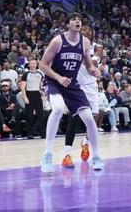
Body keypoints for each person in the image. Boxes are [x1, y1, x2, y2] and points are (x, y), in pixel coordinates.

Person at [38, 13, 104, 172]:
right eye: (74, 19)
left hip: (72, 84)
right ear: (68, 24)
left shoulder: (85, 42)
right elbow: (43, 65)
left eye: (79, 20)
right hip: (55, 82)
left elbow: (88, 64)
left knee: (90, 119)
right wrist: (59, 78)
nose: (77, 21)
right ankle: (47, 154)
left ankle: (96, 157)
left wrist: (93, 70)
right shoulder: (57, 41)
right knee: (58, 109)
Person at [62, 26, 101, 168]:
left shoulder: (96, 48)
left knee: (93, 120)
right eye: (84, 30)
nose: (87, 32)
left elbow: (93, 66)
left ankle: (86, 143)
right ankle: (67, 154)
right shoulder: (73, 46)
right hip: (77, 86)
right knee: (74, 119)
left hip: (91, 86)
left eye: (89, 31)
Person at [21, 58, 44, 139]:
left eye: (35, 63)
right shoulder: (26, 74)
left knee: (41, 115)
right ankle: (29, 133)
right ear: (29, 65)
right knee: (29, 116)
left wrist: (42, 94)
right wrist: (25, 97)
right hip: (29, 93)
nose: (33, 65)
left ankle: (43, 133)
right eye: (32, 63)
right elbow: (23, 87)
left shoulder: (40, 74)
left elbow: (41, 86)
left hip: (37, 94)